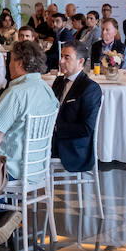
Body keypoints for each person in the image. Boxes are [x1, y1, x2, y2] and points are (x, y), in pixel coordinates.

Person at [0, 39, 60, 245]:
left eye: (10, 60)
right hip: (38, 166)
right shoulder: (47, 90)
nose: (8, 64)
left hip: (12, 169)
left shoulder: (16, 93)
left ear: (19, 63)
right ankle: (3, 214)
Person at [51, 41, 102, 173]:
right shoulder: (59, 81)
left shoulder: (90, 88)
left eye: (67, 57)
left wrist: (56, 128)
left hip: (73, 148)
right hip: (52, 140)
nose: (61, 61)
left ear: (81, 61)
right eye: (61, 56)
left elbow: (87, 127)